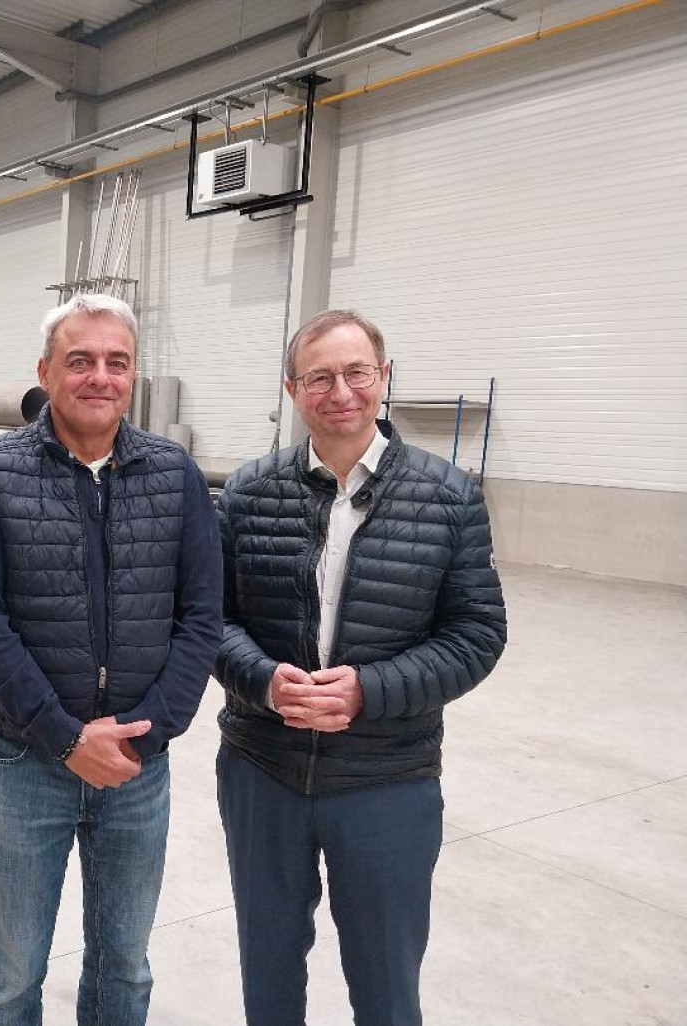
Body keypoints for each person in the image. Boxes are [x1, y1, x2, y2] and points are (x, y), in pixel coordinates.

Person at [214, 309, 507, 1026]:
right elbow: (209, 621)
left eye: (356, 372)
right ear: (292, 390)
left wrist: (369, 692)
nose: (339, 391)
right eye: (319, 377)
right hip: (264, 771)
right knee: (269, 969)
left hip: (387, 780)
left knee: (385, 982)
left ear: (384, 379)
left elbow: (477, 632)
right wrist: (261, 679)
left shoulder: (449, 498)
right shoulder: (249, 494)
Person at [0, 293, 222, 1026]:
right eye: (81, 361)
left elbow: (202, 616)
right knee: (14, 970)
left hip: (138, 767)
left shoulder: (173, 474)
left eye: (116, 362)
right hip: (28, 763)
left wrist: (149, 730)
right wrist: (65, 738)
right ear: (46, 371)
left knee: (124, 967)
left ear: (134, 375)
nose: (99, 376)